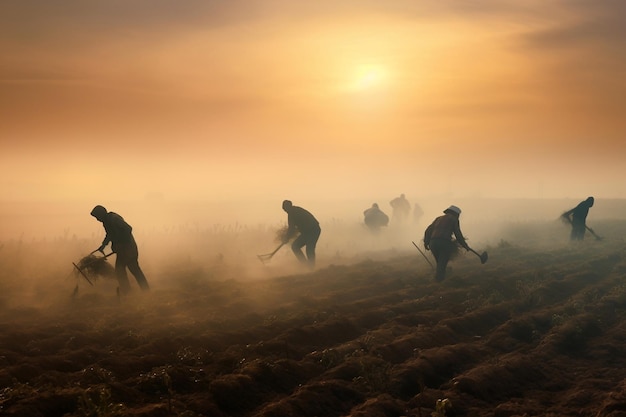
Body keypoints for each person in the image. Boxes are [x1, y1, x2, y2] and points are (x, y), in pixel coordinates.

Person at [91, 205, 150, 294]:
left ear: (101, 214)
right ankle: (127, 292)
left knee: (134, 269)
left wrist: (121, 243)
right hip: (122, 251)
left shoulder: (114, 219)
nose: (97, 219)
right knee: (120, 271)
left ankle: (146, 291)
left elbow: (128, 229)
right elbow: (109, 234)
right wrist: (103, 245)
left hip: (128, 249)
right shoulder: (106, 222)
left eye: (97, 217)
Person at [423, 205, 470, 282]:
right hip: (444, 243)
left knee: (439, 262)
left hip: (433, 243)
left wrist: (426, 242)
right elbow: (458, 234)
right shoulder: (454, 220)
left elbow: (428, 230)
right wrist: (465, 245)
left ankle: (439, 278)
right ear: (456, 214)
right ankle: (439, 281)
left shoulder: (438, 218)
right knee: (442, 262)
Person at [281, 200, 321, 269]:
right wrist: (287, 237)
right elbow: (295, 227)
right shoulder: (294, 211)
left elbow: (291, 228)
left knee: (309, 249)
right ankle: (305, 265)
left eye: (285, 208)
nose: (285, 210)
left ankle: (311, 268)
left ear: (288, 207)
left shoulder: (293, 213)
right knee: (295, 246)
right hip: (307, 232)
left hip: (313, 230)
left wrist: (287, 238)